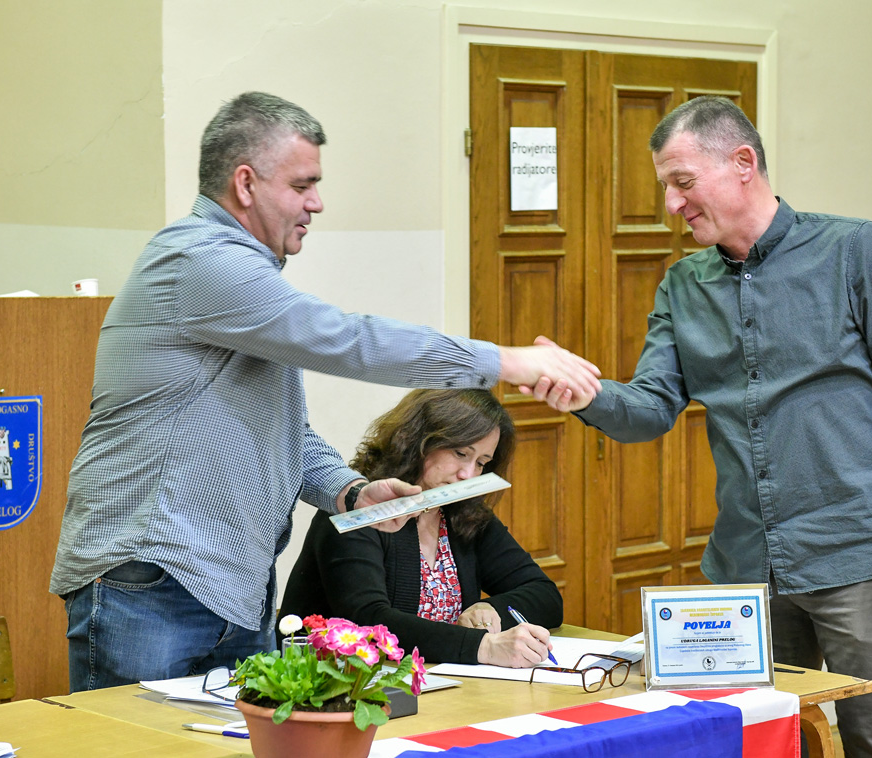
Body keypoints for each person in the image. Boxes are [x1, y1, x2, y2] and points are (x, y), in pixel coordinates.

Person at [49, 92, 599, 692]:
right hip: (154, 578)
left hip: (231, 587)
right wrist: (504, 361)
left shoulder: (246, 279)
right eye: (302, 185)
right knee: (134, 739)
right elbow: (349, 340)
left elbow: (284, 433)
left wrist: (350, 492)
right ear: (245, 183)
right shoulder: (200, 261)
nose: (317, 202)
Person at [532, 96, 872, 758]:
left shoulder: (853, 250)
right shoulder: (682, 286)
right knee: (756, 741)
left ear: (742, 163)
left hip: (858, 557)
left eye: (682, 182)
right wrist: (580, 392)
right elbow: (650, 408)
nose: (672, 204)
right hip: (745, 568)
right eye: (666, 187)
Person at [281, 389, 562, 667]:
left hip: (439, 679)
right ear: (419, 440)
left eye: (481, 463)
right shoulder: (363, 507)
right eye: (460, 453)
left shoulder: (463, 513)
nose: (468, 474)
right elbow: (369, 621)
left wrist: (491, 609)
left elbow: (546, 595)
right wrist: (483, 646)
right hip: (333, 679)